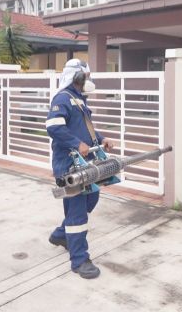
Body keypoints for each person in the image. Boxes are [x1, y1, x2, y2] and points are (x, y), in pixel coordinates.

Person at [45, 59, 111, 279]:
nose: (89, 80)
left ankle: (60, 235)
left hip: (85, 163)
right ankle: (79, 260)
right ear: (77, 78)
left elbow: (85, 129)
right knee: (77, 211)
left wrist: (101, 139)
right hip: (69, 165)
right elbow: (53, 127)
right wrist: (76, 144)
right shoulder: (63, 98)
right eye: (87, 77)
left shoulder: (79, 101)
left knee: (91, 199)